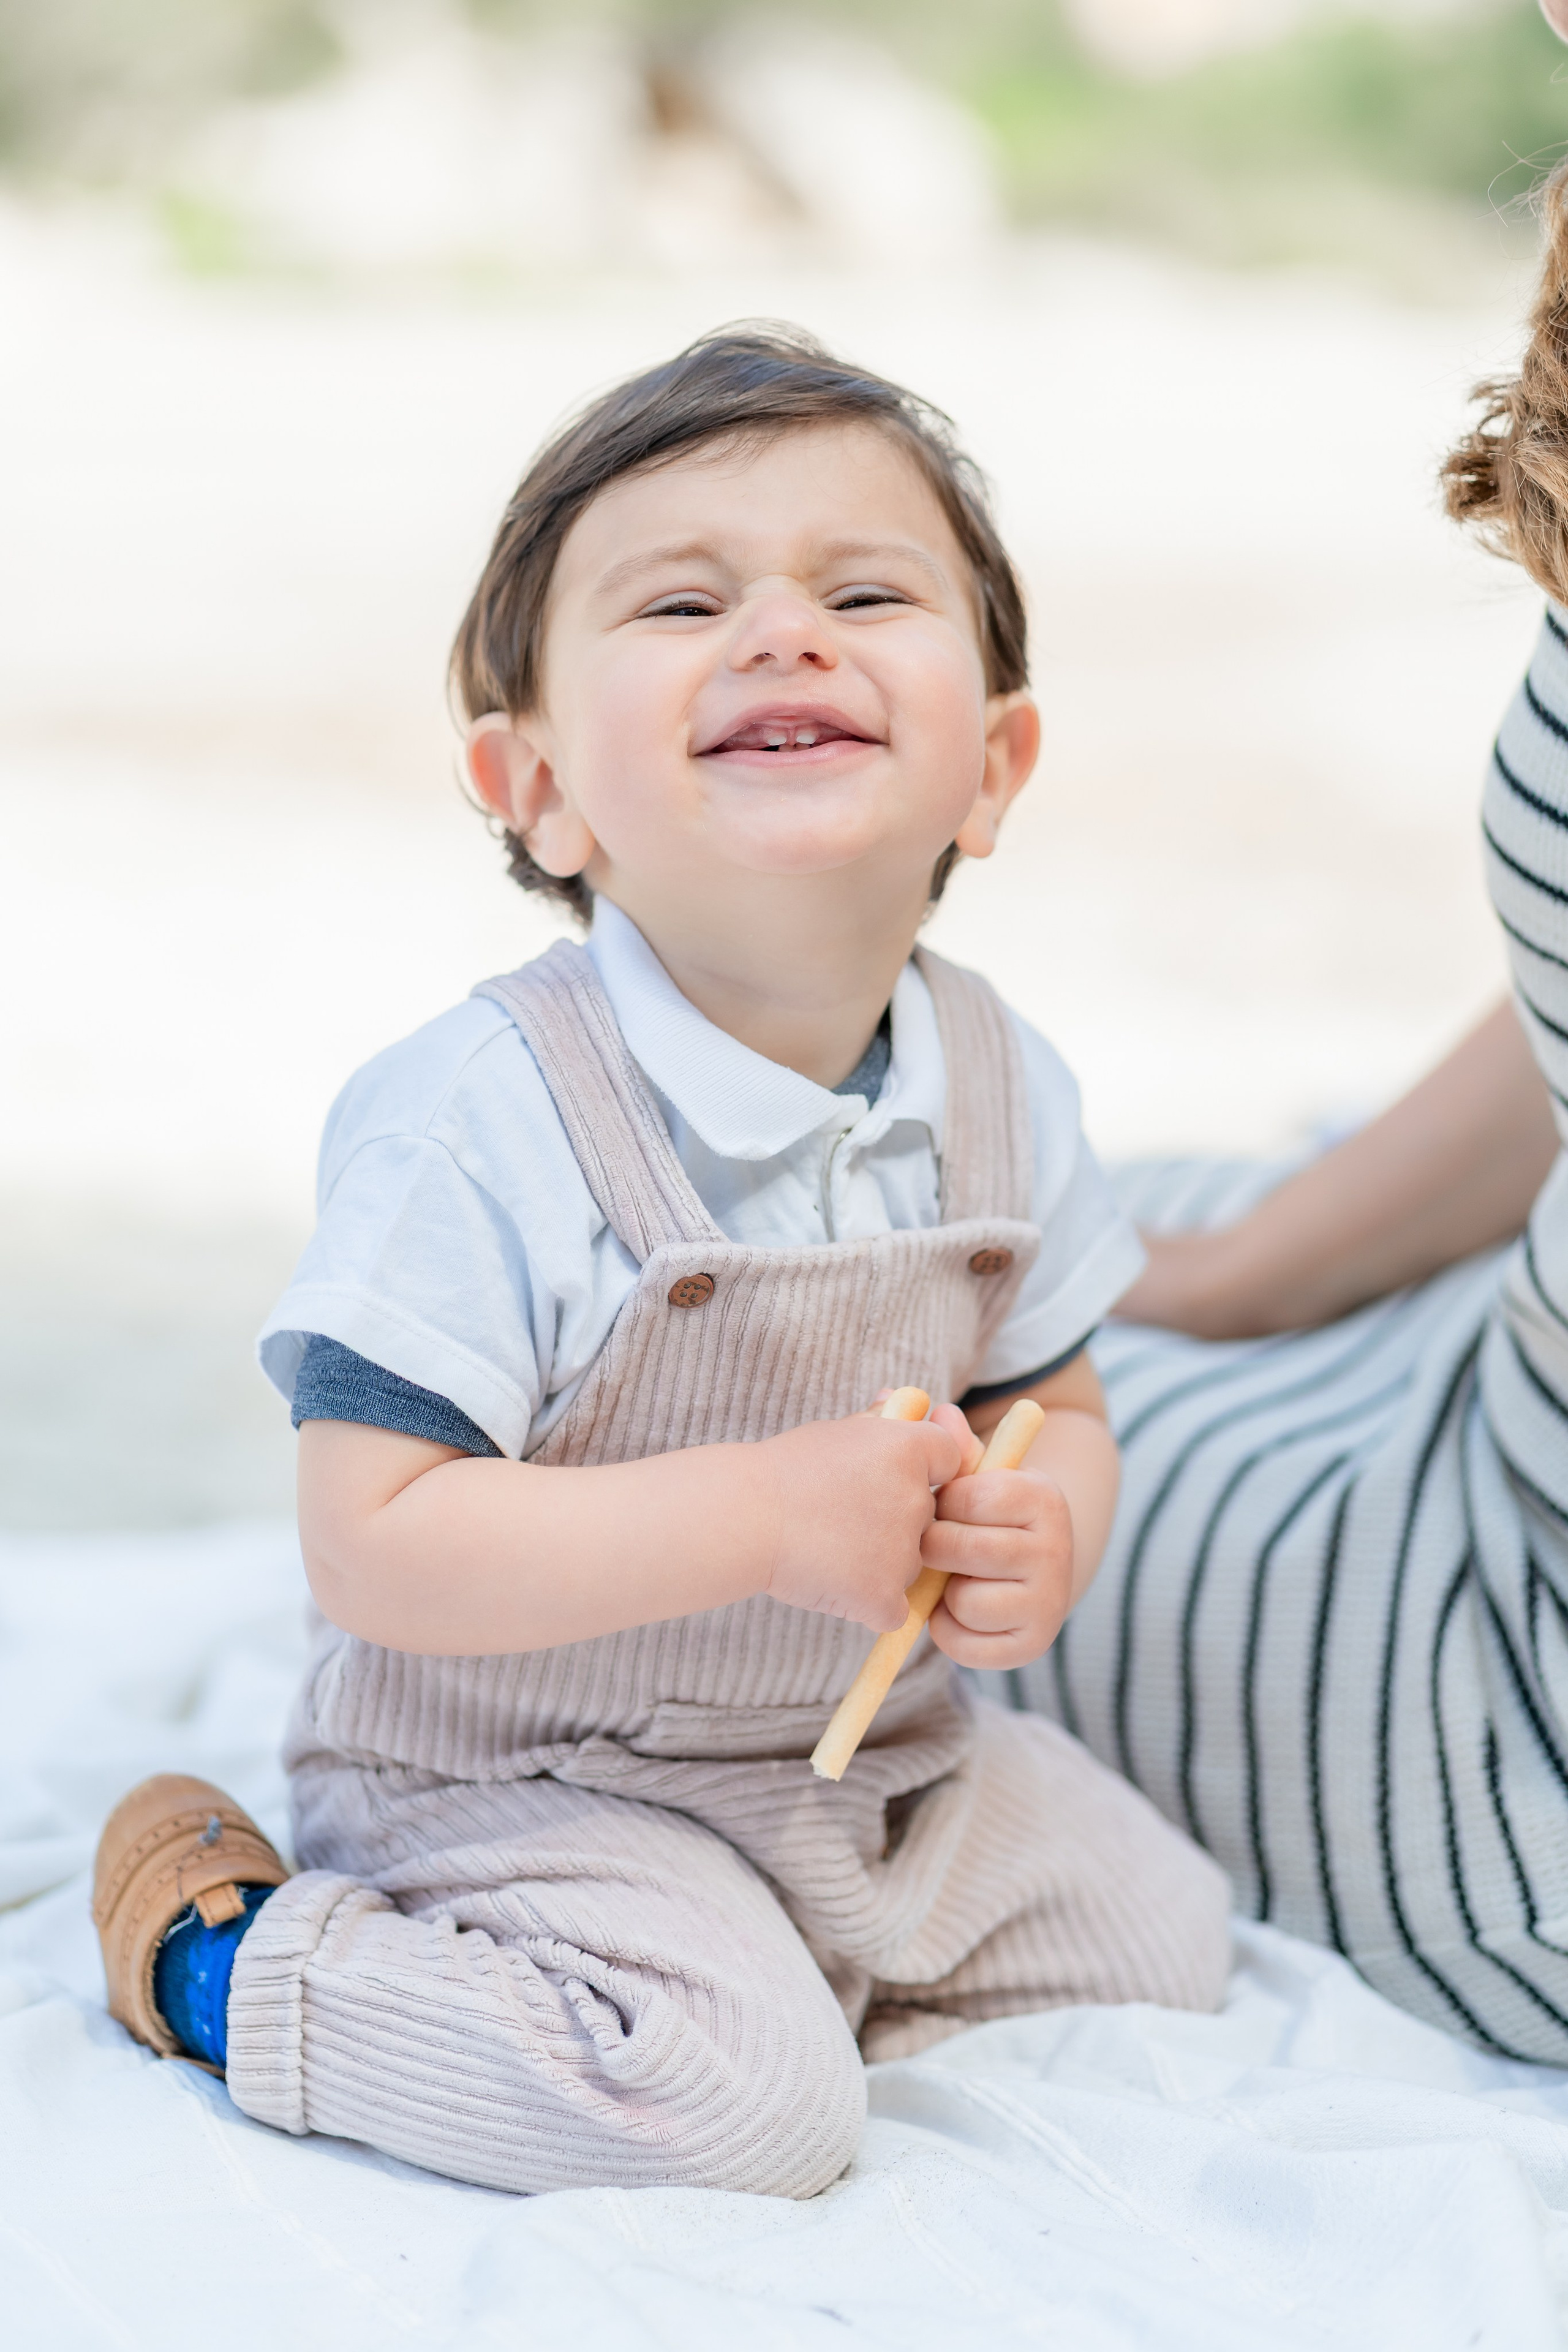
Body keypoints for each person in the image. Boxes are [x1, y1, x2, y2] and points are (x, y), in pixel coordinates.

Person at [90, 328, 1230, 2198]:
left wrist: (1053, 1527)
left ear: (996, 767)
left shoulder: (1004, 1080)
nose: (786, 630)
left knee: (1161, 1937)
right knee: (741, 2115)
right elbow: (369, 1538)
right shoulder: (483, 1113)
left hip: (861, 1765)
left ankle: (765, 1966)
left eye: (866, 589)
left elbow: (1052, 1399)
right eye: (686, 602)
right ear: (535, 787)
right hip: (521, 1780)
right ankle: (226, 1951)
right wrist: (771, 1522)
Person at [1008, 168, 1568, 2064]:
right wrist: (1244, 1274)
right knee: (1046, 1251)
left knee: (936, 1423)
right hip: (1487, 1373)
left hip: (1514, 1688)